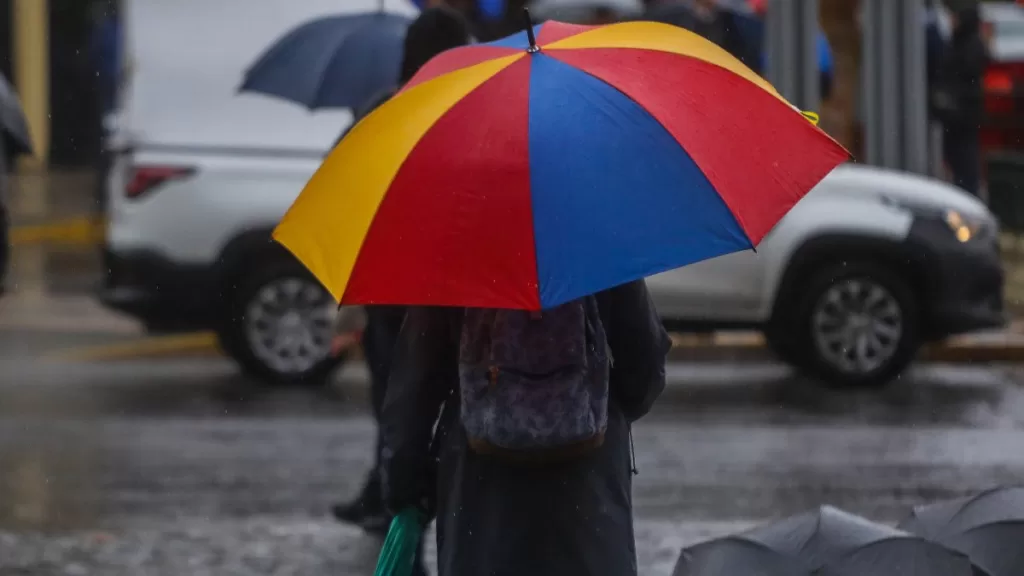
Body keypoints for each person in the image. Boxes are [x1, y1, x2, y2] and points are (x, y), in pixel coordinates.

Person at [380, 280, 670, 576]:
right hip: (587, 492)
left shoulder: (456, 256)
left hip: (479, 491)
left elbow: (414, 389)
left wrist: (407, 493)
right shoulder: (598, 243)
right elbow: (645, 373)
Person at [329, 0, 472, 548]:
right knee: (449, 418)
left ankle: (399, 513)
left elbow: (346, 205)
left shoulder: (382, 117)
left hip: (396, 299)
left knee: (399, 413)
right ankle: (406, 503)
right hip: (458, 298)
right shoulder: (472, 115)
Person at [934, 3, 988, 196]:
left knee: (965, 165)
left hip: (962, 118)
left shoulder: (969, 46)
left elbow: (962, 77)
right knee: (960, 164)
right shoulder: (961, 43)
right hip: (959, 117)